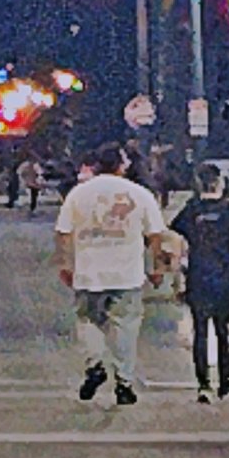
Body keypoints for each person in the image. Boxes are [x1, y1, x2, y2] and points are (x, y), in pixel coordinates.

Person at [55, 141, 165, 407]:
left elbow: (63, 232)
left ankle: (95, 365)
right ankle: (124, 382)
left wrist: (66, 264)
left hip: (89, 272)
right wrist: (157, 267)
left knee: (88, 321)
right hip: (127, 273)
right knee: (126, 326)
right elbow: (155, 234)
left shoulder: (78, 194)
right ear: (121, 165)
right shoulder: (139, 194)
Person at [170, 164, 229, 403]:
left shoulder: (190, 211)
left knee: (201, 332)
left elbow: (180, 246)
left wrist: (178, 280)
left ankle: (204, 384)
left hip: (198, 276)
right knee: (224, 329)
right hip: (226, 276)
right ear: (220, 183)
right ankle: (227, 381)